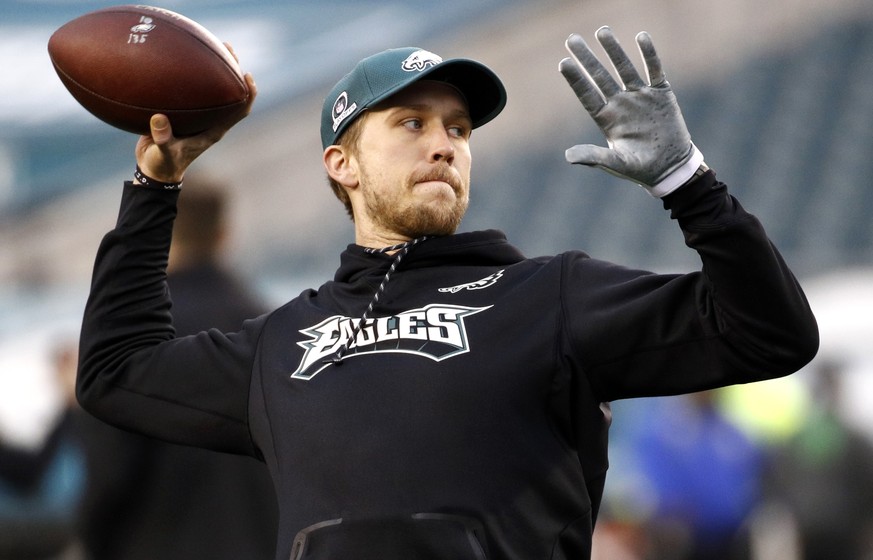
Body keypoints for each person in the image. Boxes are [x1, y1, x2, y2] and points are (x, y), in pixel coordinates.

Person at [75, 26, 819, 560]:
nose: (445, 144)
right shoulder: (279, 343)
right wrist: (157, 184)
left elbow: (769, 333)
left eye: (459, 129)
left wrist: (686, 181)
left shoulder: (549, 296)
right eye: (411, 122)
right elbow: (115, 376)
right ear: (342, 163)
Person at [72, 180, 279, 560]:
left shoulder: (129, 336)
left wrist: (91, 540)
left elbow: (109, 471)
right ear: (223, 235)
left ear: (157, 235)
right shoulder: (273, 327)